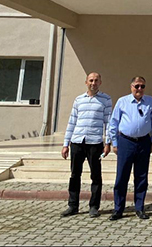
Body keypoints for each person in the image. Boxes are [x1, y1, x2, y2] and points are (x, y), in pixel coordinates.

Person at [60, 72, 112, 218]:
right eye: (91, 80)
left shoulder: (106, 99)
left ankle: (94, 206)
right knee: (75, 175)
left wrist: (107, 142)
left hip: (95, 143)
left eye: (96, 80)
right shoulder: (79, 100)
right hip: (77, 141)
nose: (93, 83)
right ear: (86, 82)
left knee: (96, 176)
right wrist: (65, 144)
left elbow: (108, 123)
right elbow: (72, 121)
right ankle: (73, 205)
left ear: (100, 82)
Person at [108, 76, 152, 221]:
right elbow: (113, 123)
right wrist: (114, 143)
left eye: (142, 86)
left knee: (141, 176)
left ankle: (139, 208)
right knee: (122, 176)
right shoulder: (122, 101)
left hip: (143, 142)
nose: (139, 89)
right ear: (131, 87)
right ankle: (118, 209)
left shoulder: (150, 101)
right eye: (137, 86)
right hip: (126, 142)